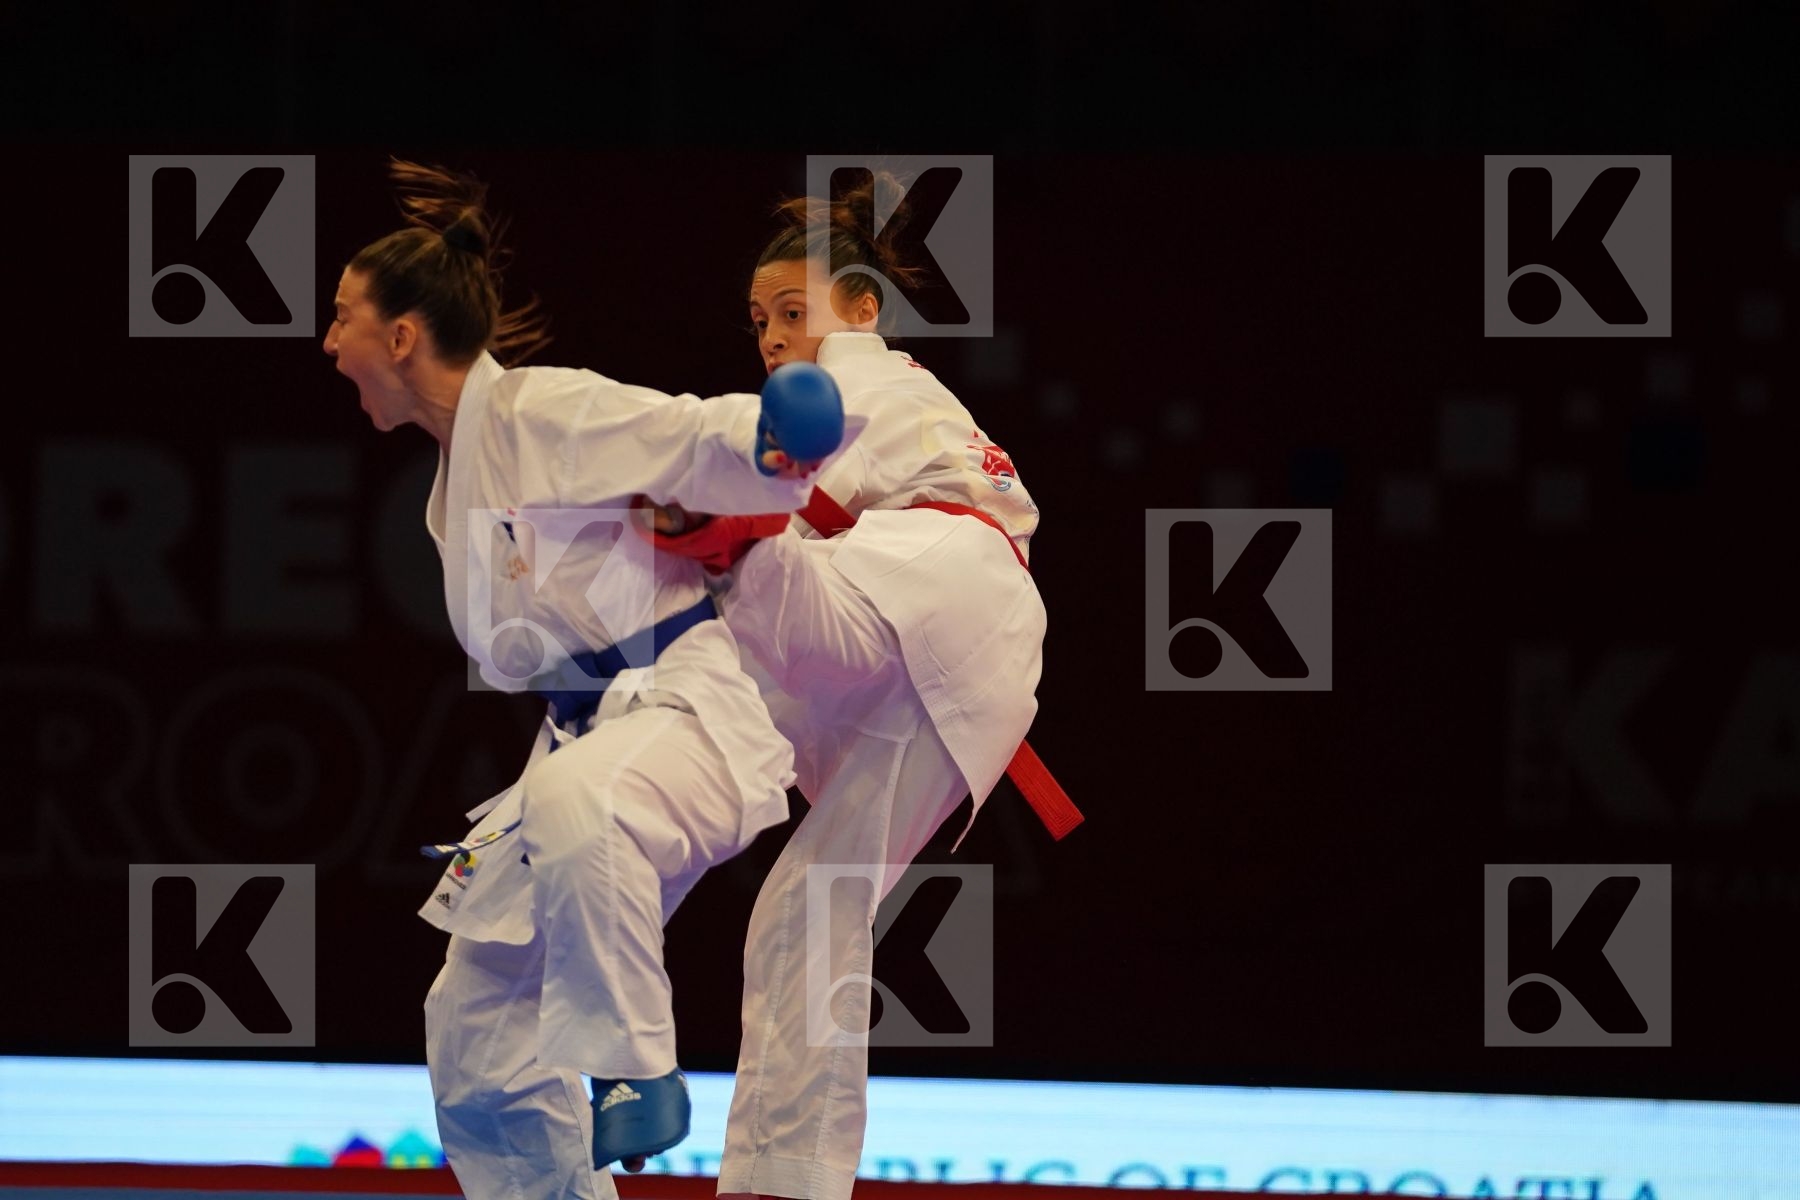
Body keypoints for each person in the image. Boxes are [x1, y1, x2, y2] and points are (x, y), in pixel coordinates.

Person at [323, 158, 849, 1200]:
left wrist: (772, 440)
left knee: (580, 801)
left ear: (401, 336)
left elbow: (681, 433)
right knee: (475, 1034)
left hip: (687, 713)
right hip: (586, 737)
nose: (329, 344)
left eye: (343, 319)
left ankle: (637, 1067)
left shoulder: (540, 413)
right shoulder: (454, 479)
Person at [647, 175, 1055, 1200]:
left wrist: (679, 509)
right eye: (759, 322)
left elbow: (799, 493)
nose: (774, 337)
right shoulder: (888, 395)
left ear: (861, 310)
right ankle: (785, 1179)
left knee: (712, 643)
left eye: (794, 311)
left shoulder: (860, 374)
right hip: (961, 658)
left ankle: (714, 563)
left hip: (928, 580)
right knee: (807, 905)